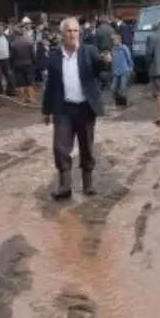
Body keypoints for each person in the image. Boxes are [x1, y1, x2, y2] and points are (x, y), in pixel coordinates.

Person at [41, 17, 110, 200]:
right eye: (68, 31)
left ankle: (88, 184)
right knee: (60, 148)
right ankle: (64, 186)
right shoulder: (55, 55)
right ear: (62, 34)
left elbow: (99, 68)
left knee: (86, 146)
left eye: (75, 30)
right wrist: (46, 110)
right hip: (63, 109)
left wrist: (106, 61)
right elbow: (51, 85)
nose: (72, 34)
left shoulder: (89, 51)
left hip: (85, 108)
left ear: (79, 32)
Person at [9, 24, 37, 104]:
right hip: (28, 63)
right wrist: (34, 62)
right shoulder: (28, 41)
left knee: (21, 82)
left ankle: (23, 98)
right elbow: (32, 54)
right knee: (29, 81)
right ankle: (31, 98)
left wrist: (11, 65)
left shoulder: (13, 44)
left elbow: (12, 56)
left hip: (17, 64)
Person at [110, 32, 133, 107]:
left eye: (115, 40)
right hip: (116, 71)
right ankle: (117, 102)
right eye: (113, 40)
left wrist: (130, 68)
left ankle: (125, 103)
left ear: (119, 40)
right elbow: (113, 60)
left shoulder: (124, 48)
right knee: (113, 88)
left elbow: (129, 58)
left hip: (124, 70)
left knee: (123, 87)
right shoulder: (113, 49)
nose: (113, 41)